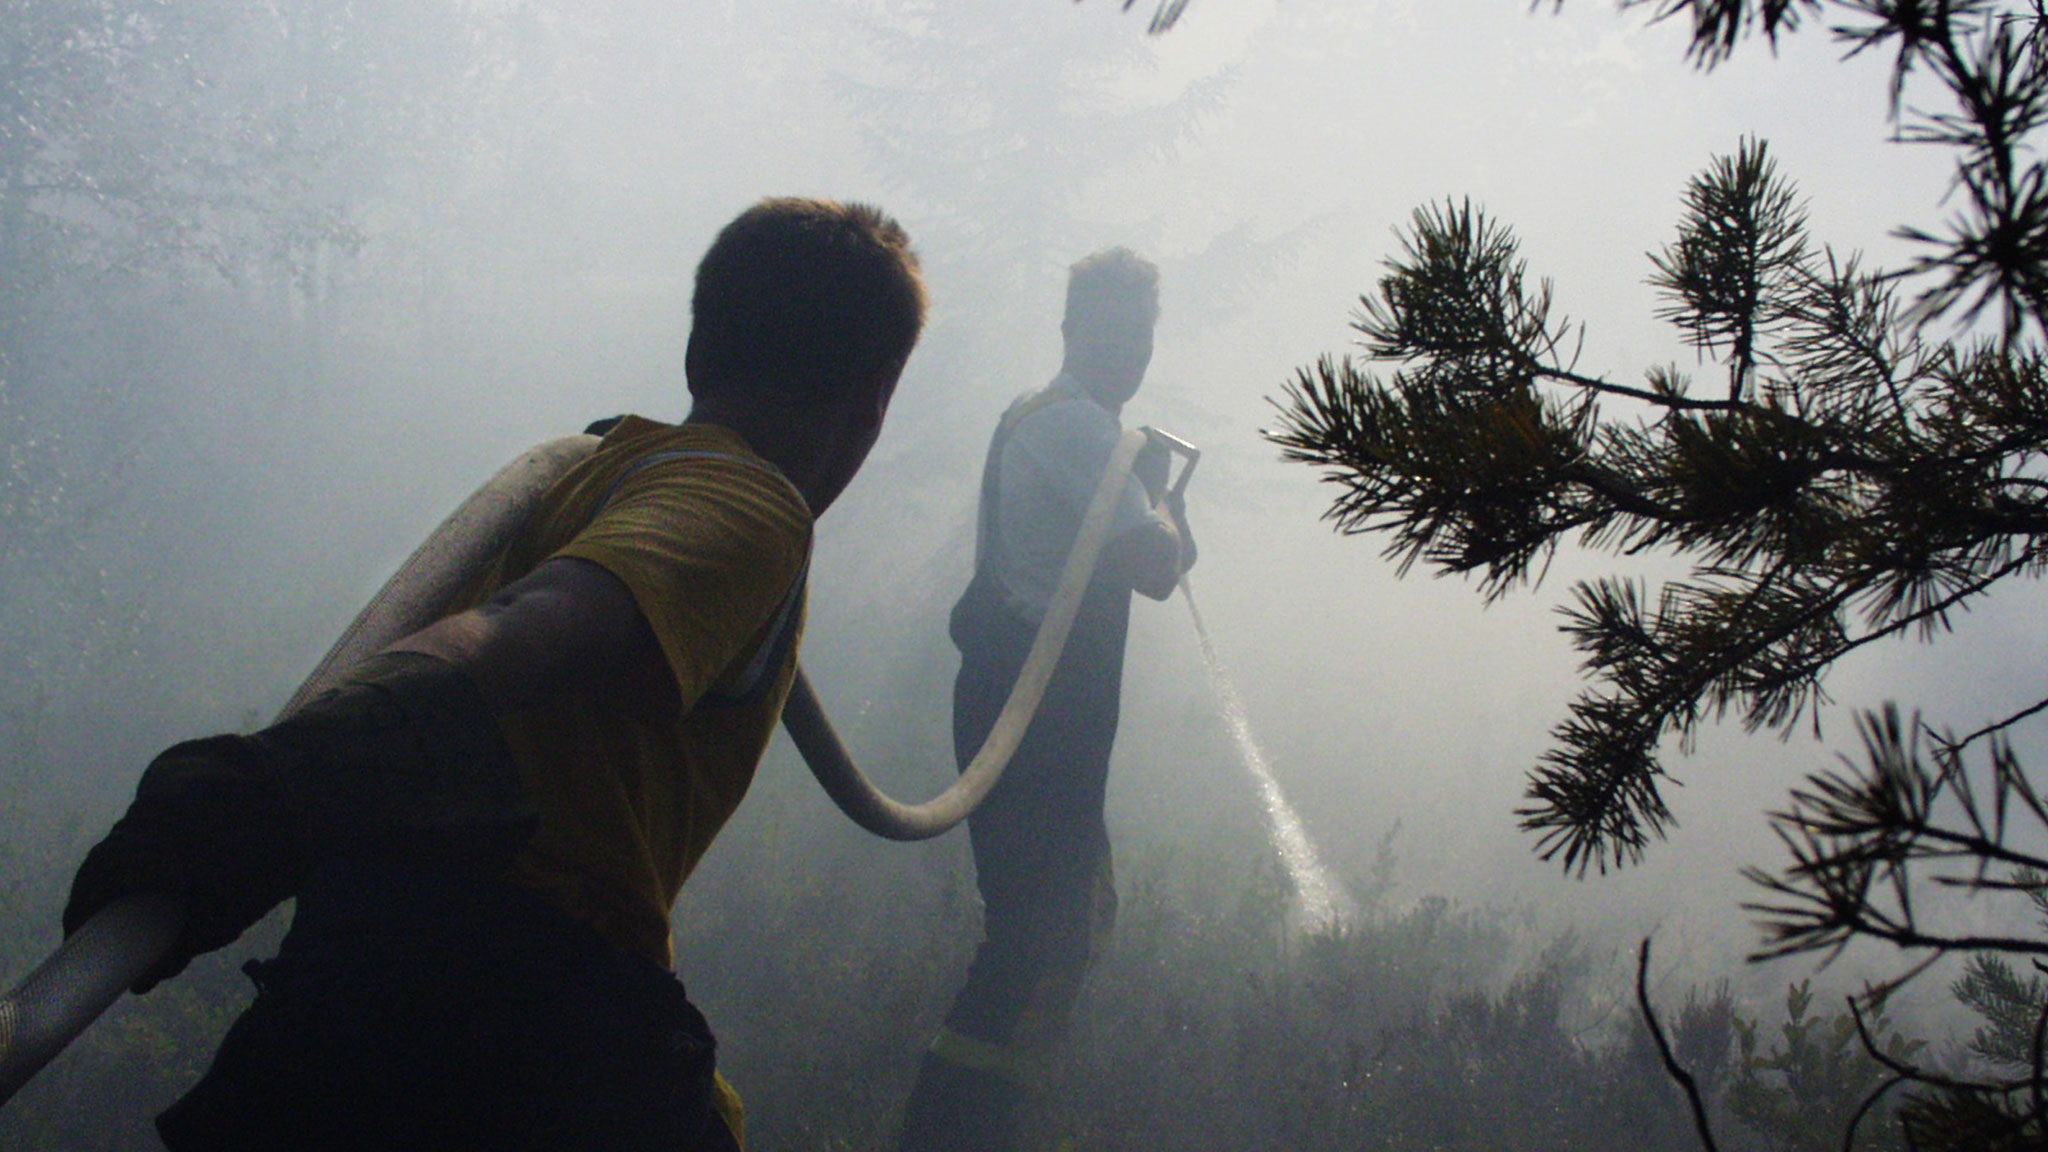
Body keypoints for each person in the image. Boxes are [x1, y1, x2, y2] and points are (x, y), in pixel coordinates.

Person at [61, 197, 927, 1152]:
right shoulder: (750, 502)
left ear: (696, 352)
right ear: (874, 403)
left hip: (357, 982)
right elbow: (538, 627)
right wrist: (281, 781)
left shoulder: (586, 477)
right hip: (525, 1033)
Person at [897, 248, 1194, 1152]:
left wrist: (1154, 490)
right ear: (1072, 331)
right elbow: (1157, 567)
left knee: (1069, 924)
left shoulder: (1068, 424)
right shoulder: (1081, 431)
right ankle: (953, 1130)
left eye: (1142, 335)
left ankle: (983, 1119)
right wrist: (1172, 501)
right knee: (1038, 935)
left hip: (1037, 715)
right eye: (1113, 331)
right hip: (1031, 719)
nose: (1131, 353)